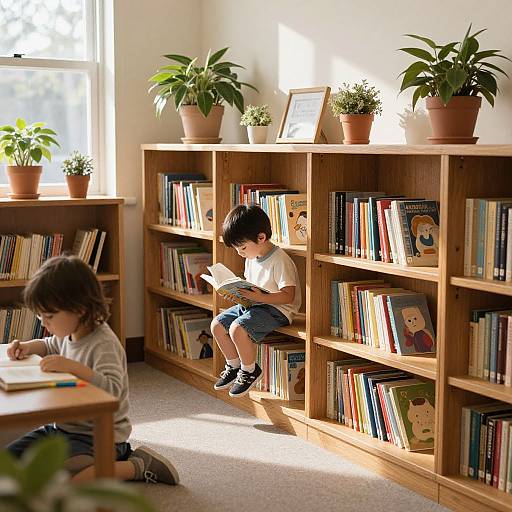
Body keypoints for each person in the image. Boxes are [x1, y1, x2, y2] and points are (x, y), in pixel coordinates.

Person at [4, 255, 179, 485]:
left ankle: (136, 465)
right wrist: (28, 347)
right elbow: (49, 344)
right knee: (8, 461)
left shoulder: (103, 344)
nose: (44, 324)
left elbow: (114, 392)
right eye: (40, 317)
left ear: (78, 309)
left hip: (100, 438)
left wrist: (73, 368)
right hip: (62, 430)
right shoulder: (68, 332)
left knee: (71, 482)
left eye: (49, 317)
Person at [211, 205, 301, 397]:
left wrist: (259, 297)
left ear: (261, 238)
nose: (240, 253)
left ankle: (250, 370)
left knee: (237, 328)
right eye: (237, 249)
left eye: (242, 248)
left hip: (278, 309)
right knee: (217, 325)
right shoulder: (252, 258)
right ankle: (234, 366)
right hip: (255, 305)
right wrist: (235, 295)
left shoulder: (280, 260)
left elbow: (289, 296)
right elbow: (251, 288)